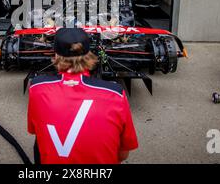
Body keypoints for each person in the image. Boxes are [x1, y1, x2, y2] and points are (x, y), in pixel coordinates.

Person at [27, 28, 138, 164]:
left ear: (56, 56)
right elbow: (123, 154)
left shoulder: (37, 87)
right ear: (89, 55)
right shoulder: (115, 93)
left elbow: (35, 130)